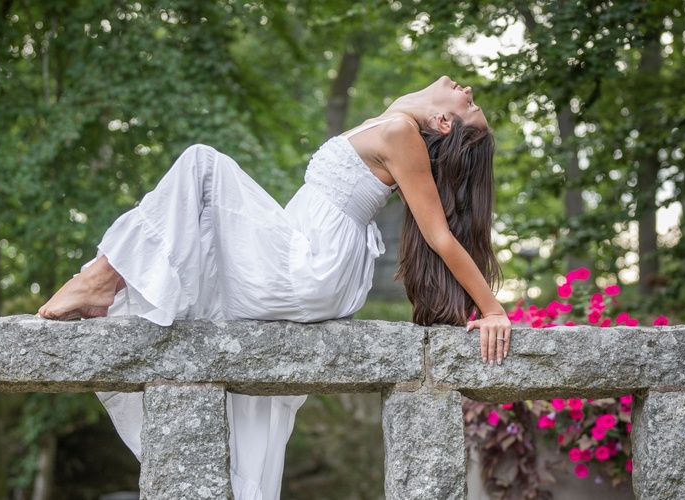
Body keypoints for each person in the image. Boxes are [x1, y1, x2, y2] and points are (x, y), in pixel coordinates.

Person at [38, 75, 512, 499]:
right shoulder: (392, 122)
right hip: (304, 257)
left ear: (443, 123)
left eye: (468, 105)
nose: (467, 91)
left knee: (202, 165)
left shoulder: (400, 133)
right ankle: (107, 282)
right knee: (199, 233)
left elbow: (439, 236)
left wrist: (491, 310)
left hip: (311, 267)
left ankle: (101, 279)